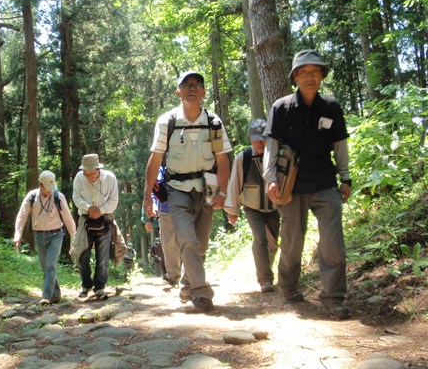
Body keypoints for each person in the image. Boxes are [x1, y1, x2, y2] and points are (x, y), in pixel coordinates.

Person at [263, 49, 352, 320]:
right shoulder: (281, 107)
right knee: (292, 241)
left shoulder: (331, 108)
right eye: (304, 72)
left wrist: (345, 177)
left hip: (325, 182)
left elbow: (340, 146)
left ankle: (333, 297)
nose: (310, 76)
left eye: (315, 71)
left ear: (322, 76)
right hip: (291, 186)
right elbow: (272, 146)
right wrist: (270, 179)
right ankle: (288, 287)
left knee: (332, 241)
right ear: (295, 77)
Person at [143, 71, 232, 312]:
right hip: (177, 189)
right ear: (178, 91)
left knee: (200, 245)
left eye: (197, 85)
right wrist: (146, 198)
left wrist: (223, 193)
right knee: (187, 240)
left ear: (204, 92)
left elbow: (222, 161)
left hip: (207, 186)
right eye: (187, 85)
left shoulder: (213, 122)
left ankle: (186, 285)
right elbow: (155, 159)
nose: (192, 88)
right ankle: (202, 293)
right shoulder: (167, 121)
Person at [225, 119, 280, 293]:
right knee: (260, 239)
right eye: (256, 139)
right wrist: (233, 211)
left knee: (273, 244)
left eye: (263, 139)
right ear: (250, 139)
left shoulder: (278, 156)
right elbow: (234, 185)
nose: (259, 143)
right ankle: (265, 279)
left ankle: (265, 270)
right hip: (252, 207)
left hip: (275, 207)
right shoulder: (243, 158)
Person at [13, 170, 76, 306]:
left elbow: (68, 218)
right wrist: (17, 234)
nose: (49, 191)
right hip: (39, 236)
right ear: (40, 185)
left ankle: (46, 296)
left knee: (50, 264)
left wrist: (74, 237)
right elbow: (22, 215)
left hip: (56, 235)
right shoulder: (32, 197)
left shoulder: (59, 196)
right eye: (47, 188)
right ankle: (56, 294)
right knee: (46, 267)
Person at [72, 153, 119, 300]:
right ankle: (86, 285)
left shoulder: (110, 178)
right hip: (85, 220)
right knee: (82, 254)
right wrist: (89, 208)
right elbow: (76, 197)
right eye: (86, 172)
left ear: (98, 169)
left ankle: (100, 288)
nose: (89, 176)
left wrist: (100, 210)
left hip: (105, 219)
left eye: (91, 173)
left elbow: (114, 200)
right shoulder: (79, 178)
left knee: (103, 256)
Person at [141, 167, 181, 287]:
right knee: (169, 243)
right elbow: (152, 187)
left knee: (187, 240)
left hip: (189, 207)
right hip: (165, 208)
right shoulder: (159, 164)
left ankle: (189, 274)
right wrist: (147, 218)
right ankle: (174, 276)